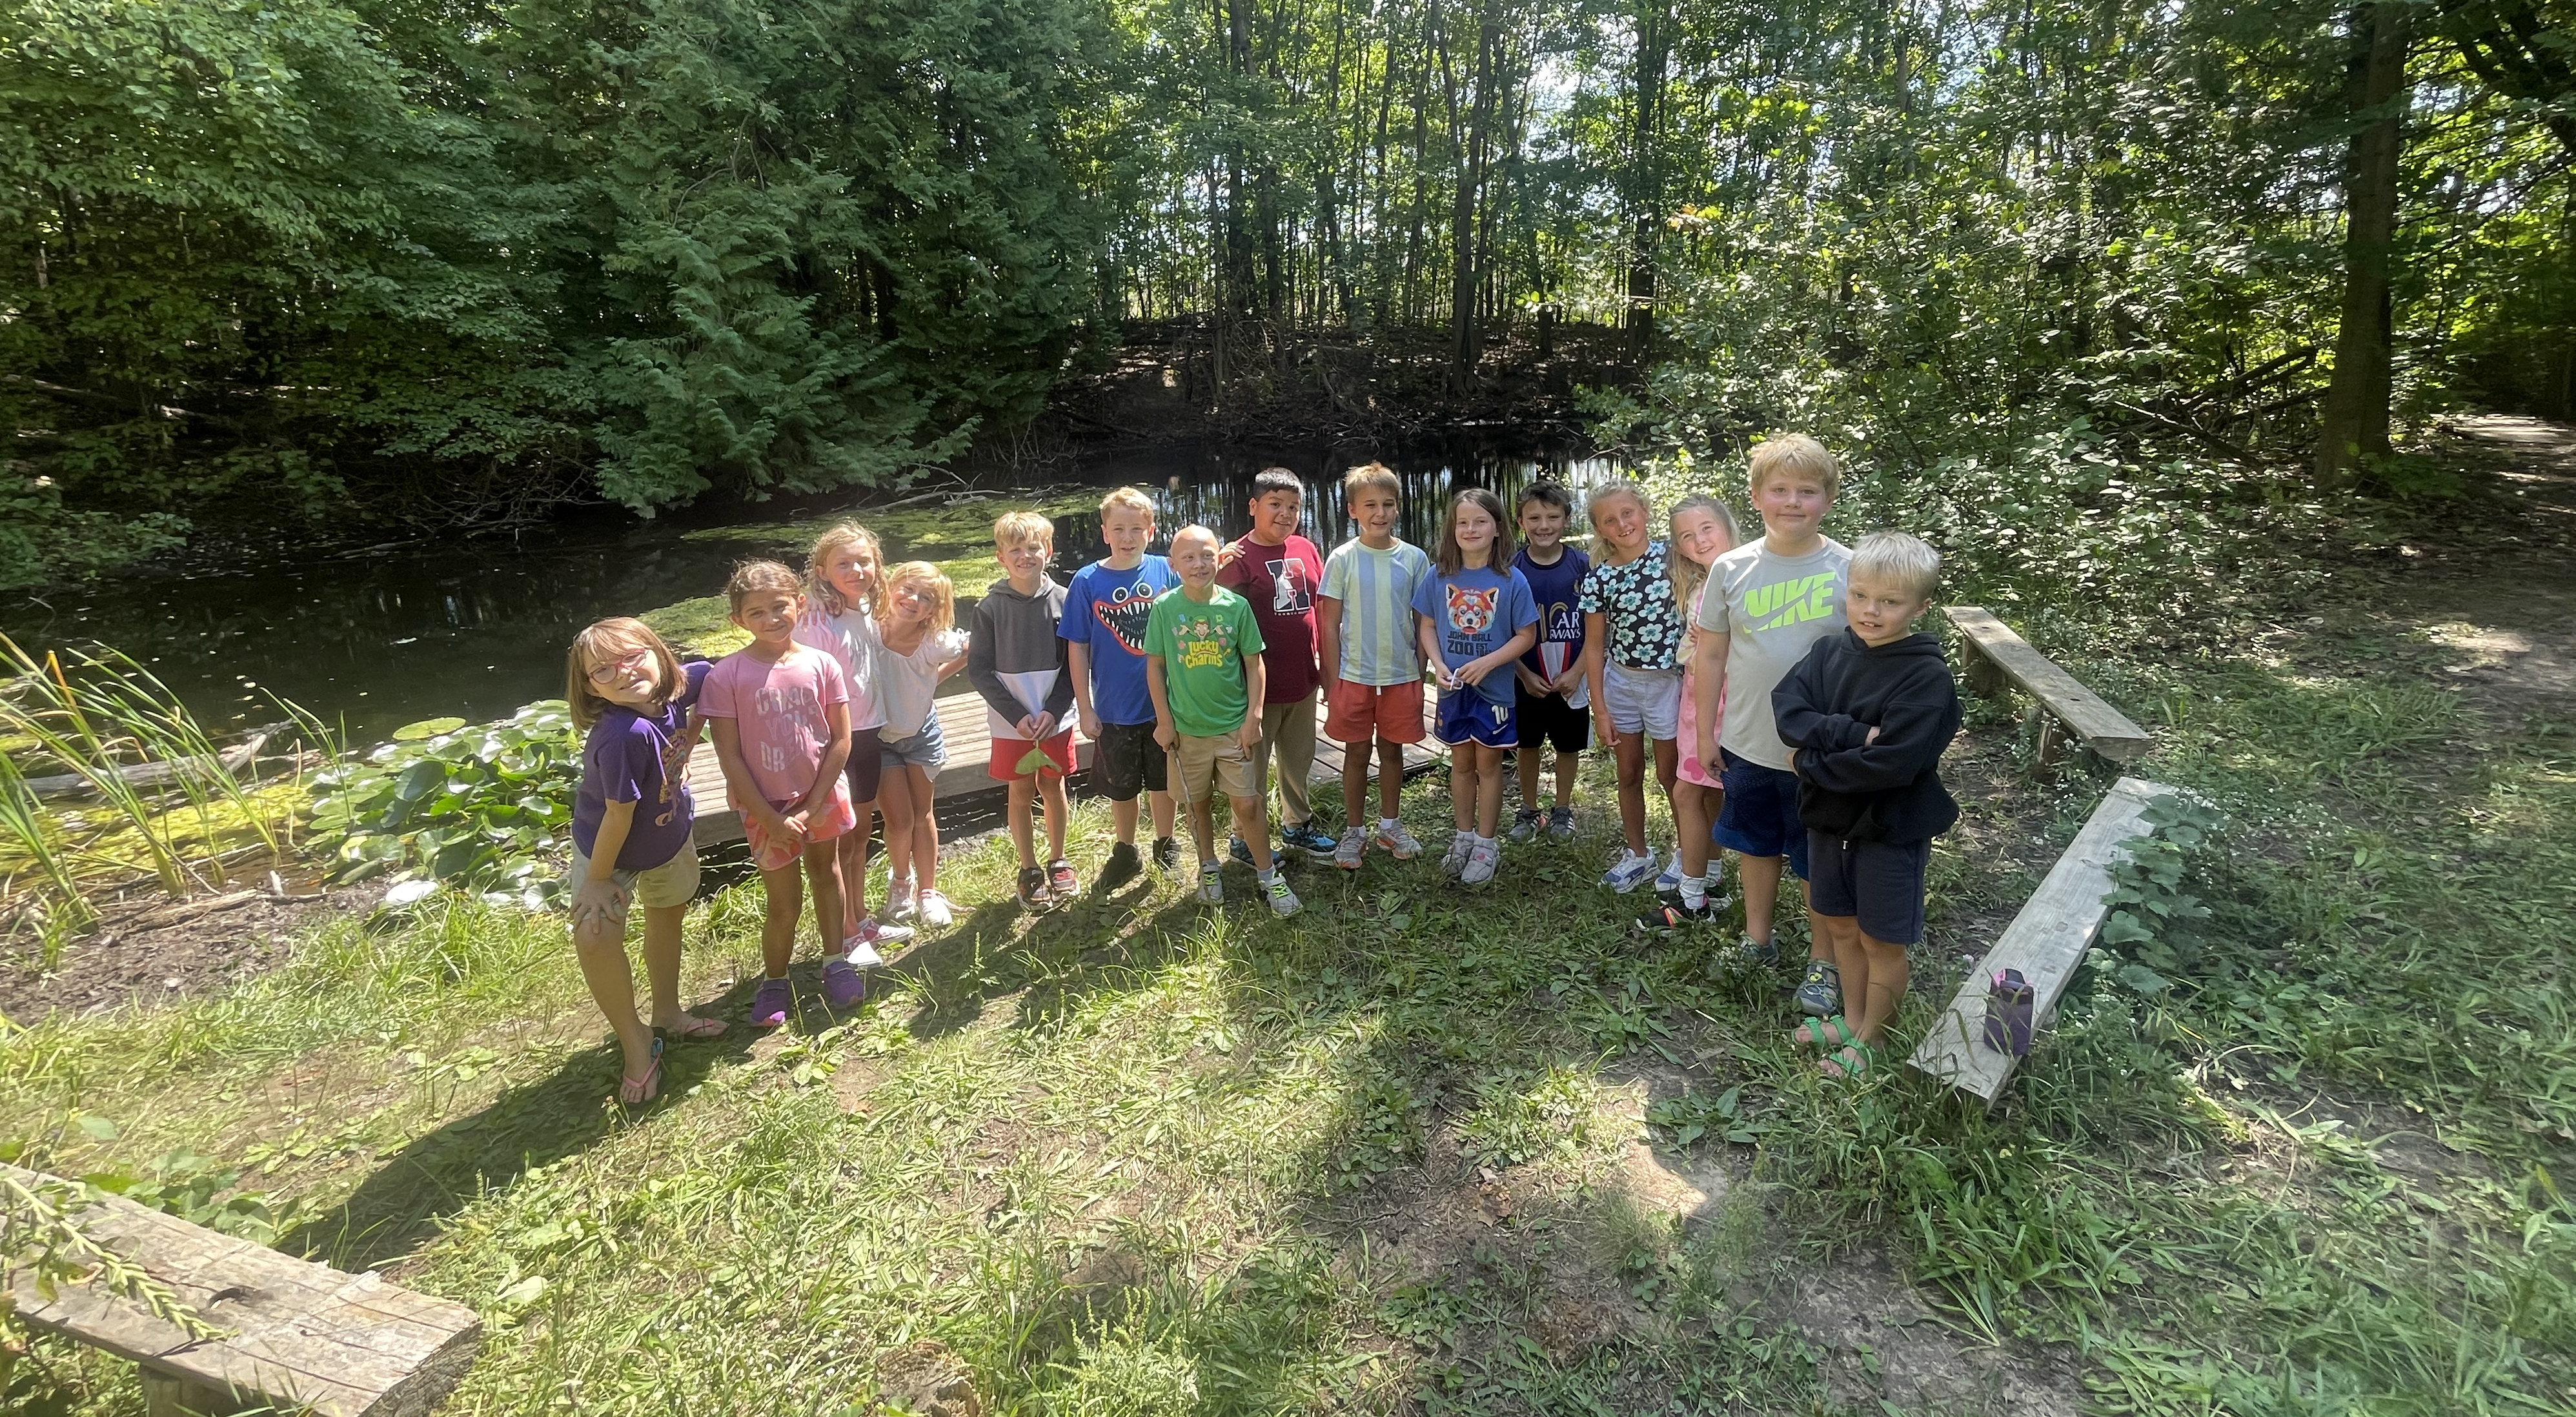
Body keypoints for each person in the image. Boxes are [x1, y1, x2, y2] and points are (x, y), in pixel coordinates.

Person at [1771, 532, 1962, 1078]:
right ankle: (1852, 1021)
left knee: (1880, 938)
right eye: (1859, 596)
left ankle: (1873, 1041)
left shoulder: (1926, 676)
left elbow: (1894, 765)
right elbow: (1788, 711)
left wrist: (1809, 764)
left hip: (1887, 827)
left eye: (1890, 602)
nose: (1870, 611)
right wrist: (1854, 732)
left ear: (1920, 607)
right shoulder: (1829, 652)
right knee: (1839, 927)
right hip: (1828, 821)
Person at [1694, 434, 1853, 1016]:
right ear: (1756, 497)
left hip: (1819, 755)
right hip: (1746, 741)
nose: (1792, 502)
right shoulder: (1730, 568)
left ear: (1828, 500)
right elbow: (1711, 655)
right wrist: (1707, 735)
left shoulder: (1849, 569)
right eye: (1779, 490)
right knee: (1755, 846)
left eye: (1806, 492)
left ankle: (1823, 961)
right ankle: (1756, 938)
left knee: (1817, 859)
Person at [565, 617, 724, 1104]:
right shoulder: (621, 734)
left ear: (659, 654)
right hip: (609, 851)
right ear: (589, 688)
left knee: (666, 916)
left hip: (667, 835)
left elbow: (716, 671)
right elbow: (617, 815)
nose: (624, 672)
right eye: (603, 670)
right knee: (594, 937)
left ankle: (668, 1014)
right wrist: (595, 882)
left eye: (633, 656)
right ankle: (636, 1044)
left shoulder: (672, 690)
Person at [702, 561, 858, 1025]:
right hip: (764, 805)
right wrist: (769, 819)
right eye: (757, 613)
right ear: (738, 621)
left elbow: (841, 740)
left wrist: (812, 805)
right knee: (783, 902)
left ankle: (836, 962)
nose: (771, 619)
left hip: (821, 797)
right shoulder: (726, 676)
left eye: (779, 607)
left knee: (827, 875)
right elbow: (728, 756)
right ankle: (774, 981)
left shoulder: (822, 663)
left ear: (800, 605)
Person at [1147, 525, 1301, 917]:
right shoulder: (1165, 609)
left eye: (1207, 556)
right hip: (1186, 731)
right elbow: (1155, 667)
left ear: (1221, 557)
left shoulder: (1235, 607)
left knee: (1248, 803)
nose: (1199, 564)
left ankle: (1268, 875)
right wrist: (1164, 721)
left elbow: (1254, 663)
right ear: (1173, 564)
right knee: (1196, 804)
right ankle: (1209, 866)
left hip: (1234, 726)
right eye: (1189, 558)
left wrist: (1254, 717)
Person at [794, 521, 913, 960]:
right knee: (841, 839)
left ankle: (860, 920)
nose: (856, 569)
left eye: (864, 561)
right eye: (844, 563)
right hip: (831, 742)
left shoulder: (864, 609)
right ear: (822, 570)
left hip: (866, 733)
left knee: (860, 832)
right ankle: (844, 934)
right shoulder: (812, 616)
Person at [1412, 489, 1539, 886]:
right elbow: (1428, 625)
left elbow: (1526, 635)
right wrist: (1436, 663)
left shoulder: (1511, 579)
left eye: (1480, 521)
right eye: (1462, 522)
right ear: (1452, 528)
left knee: (1488, 765)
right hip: (1453, 689)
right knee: (1461, 763)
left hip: (1495, 691)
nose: (1471, 529)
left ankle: (1487, 842)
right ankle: (1463, 836)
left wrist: (1489, 662)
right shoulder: (1439, 575)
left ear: (1498, 528)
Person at [1217, 467, 1337, 865]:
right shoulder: (1236, 557)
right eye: (1275, 505)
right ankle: (1241, 839)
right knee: (1250, 766)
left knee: (1298, 759)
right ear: (1253, 507)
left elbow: (1320, 609)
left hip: (1302, 678)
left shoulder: (1305, 548)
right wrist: (1209, 566)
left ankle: (1296, 825)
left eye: (1293, 507)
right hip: (1256, 687)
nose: (1285, 514)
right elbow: (1212, 616)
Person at [1063, 487, 1182, 890]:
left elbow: (1203, 584)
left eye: (1136, 528)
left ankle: (1166, 844)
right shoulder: (1086, 581)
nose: (1128, 537)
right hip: (1114, 707)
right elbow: (1077, 646)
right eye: (1119, 529)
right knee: (1122, 784)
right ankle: (1125, 851)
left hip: (1164, 704)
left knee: (1164, 779)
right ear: (1104, 533)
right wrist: (1085, 707)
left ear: (1151, 530)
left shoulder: (1167, 570)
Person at [1317, 462, 1432, 870]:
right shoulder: (1343, 559)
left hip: (1401, 675)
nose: (1379, 513)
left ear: (1397, 508)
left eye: (1387, 504)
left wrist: (1420, 670)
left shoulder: (1415, 559)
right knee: (1356, 752)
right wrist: (1331, 680)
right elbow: (1328, 624)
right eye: (1370, 505)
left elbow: (1423, 622)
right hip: (1354, 676)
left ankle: (1390, 824)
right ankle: (1353, 831)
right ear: (1352, 511)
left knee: (1393, 751)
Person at [1637, 495, 1741, 932]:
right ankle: (1712, 878)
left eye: (1706, 529)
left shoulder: (1741, 577)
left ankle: (1692, 897)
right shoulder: (1704, 579)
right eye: (1686, 535)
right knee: (1706, 792)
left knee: (1685, 794)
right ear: (1678, 547)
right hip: (1696, 699)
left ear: (1727, 527)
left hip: (1720, 704)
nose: (1698, 540)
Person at [1578, 481, 1688, 893]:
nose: (1622, 524)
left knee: (1671, 775)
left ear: (1644, 512)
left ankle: (1687, 853)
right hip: (1621, 683)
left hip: (1668, 685)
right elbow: (1594, 648)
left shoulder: (1673, 557)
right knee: (1628, 773)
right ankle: (1638, 854)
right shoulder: (1600, 579)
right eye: (1610, 520)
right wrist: (1600, 709)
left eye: (1628, 513)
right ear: (1600, 530)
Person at [968, 510, 1078, 910]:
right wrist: (1016, 714)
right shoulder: (988, 609)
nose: (1025, 556)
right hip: (1011, 721)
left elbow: (1074, 665)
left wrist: (1054, 708)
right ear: (1001, 557)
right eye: (1015, 550)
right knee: (1019, 791)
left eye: (1033, 547)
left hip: (1055, 717)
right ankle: (1029, 868)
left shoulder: (1067, 601)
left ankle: (1058, 859)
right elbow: (978, 670)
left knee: (1053, 785)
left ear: (1047, 550)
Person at [873, 562, 969, 929]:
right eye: (909, 589)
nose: (914, 600)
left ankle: (928, 892)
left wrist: (930, 684)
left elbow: (971, 648)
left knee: (923, 814)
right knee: (899, 820)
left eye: (926, 597)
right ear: (892, 586)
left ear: (934, 609)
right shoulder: (867, 629)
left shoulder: (934, 641)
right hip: (879, 739)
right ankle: (901, 883)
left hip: (921, 736)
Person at [1508, 481, 1590, 845]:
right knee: (1527, 744)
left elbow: (1597, 628)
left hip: (1571, 675)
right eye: (1535, 517)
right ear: (1520, 521)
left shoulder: (1583, 566)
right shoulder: (1510, 568)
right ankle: (1528, 809)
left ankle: (1561, 808)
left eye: (1553, 517)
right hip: (1526, 675)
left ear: (1567, 520)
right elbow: (1500, 631)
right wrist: (1522, 674)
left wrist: (1578, 672)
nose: (1544, 525)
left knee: (1567, 745)